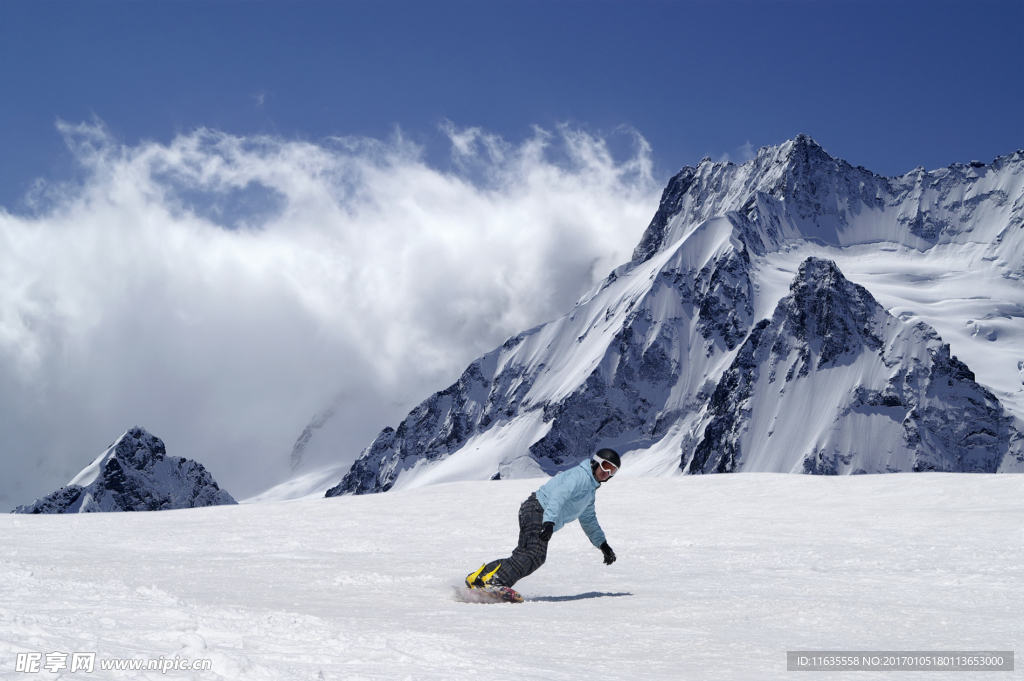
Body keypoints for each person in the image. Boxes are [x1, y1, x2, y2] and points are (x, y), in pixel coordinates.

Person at [465, 448, 620, 598]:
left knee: (523, 555)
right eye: (606, 466)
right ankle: (495, 582)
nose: (606, 473)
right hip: (538, 509)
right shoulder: (580, 477)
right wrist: (549, 522)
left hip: (535, 509)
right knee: (536, 555)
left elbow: (588, 520)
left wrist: (602, 544)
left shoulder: (590, 491)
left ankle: (479, 578)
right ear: (596, 462)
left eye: (612, 471)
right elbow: (558, 495)